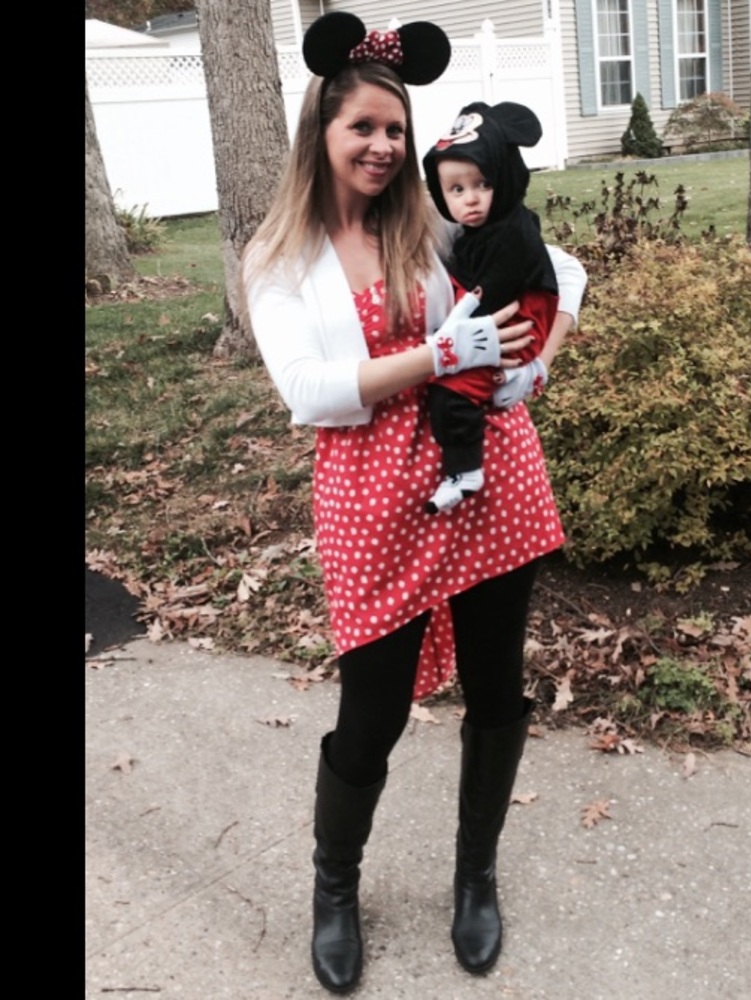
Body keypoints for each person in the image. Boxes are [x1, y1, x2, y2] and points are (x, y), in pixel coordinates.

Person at [241, 12, 586, 996]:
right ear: (322, 133)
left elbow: (555, 274)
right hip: (370, 498)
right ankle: (334, 886)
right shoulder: (280, 257)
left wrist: (535, 362)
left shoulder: (432, 226)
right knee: (373, 709)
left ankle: (475, 875)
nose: (384, 145)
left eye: (396, 128)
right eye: (364, 127)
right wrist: (438, 355)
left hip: (484, 475)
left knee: (495, 686)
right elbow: (309, 390)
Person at [421, 101, 558, 514]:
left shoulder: (511, 231)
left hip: (516, 319)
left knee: (455, 393)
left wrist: (537, 365)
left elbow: (490, 293)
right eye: (457, 190)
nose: (471, 199)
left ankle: (465, 471)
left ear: (504, 176)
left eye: (483, 184)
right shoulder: (477, 230)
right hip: (491, 318)